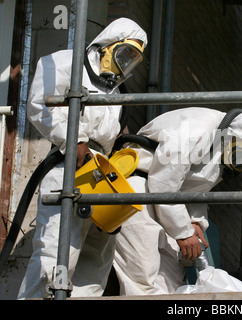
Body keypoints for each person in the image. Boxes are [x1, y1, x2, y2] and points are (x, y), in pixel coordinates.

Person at [18, 18, 148, 299]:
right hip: (69, 167)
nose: (126, 63)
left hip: (100, 173)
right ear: (107, 45)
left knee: (97, 257)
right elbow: (40, 104)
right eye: (124, 53)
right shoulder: (66, 64)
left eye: (133, 60)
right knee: (56, 253)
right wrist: (74, 140)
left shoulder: (117, 94)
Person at [113, 107, 242, 295]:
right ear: (237, 135)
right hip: (139, 191)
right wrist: (184, 232)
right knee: (143, 274)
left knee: (171, 281)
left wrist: (195, 221)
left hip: (166, 205)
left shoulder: (222, 146)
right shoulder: (198, 129)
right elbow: (164, 182)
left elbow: (194, 187)